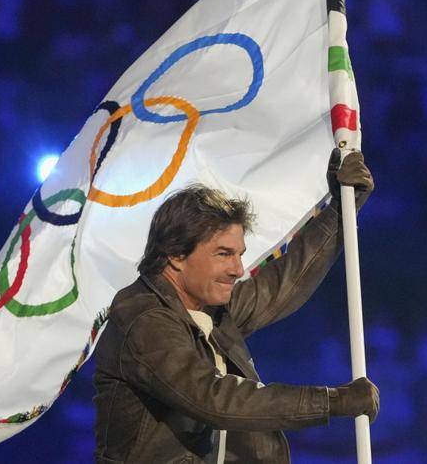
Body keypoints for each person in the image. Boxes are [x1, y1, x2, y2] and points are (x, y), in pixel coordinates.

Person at [92, 149, 379, 463]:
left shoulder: (209, 308)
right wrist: (331, 401)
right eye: (223, 254)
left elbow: (285, 282)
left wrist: (340, 210)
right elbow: (214, 400)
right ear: (176, 255)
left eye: (240, 254)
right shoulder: (143, 319)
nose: (238, 269)